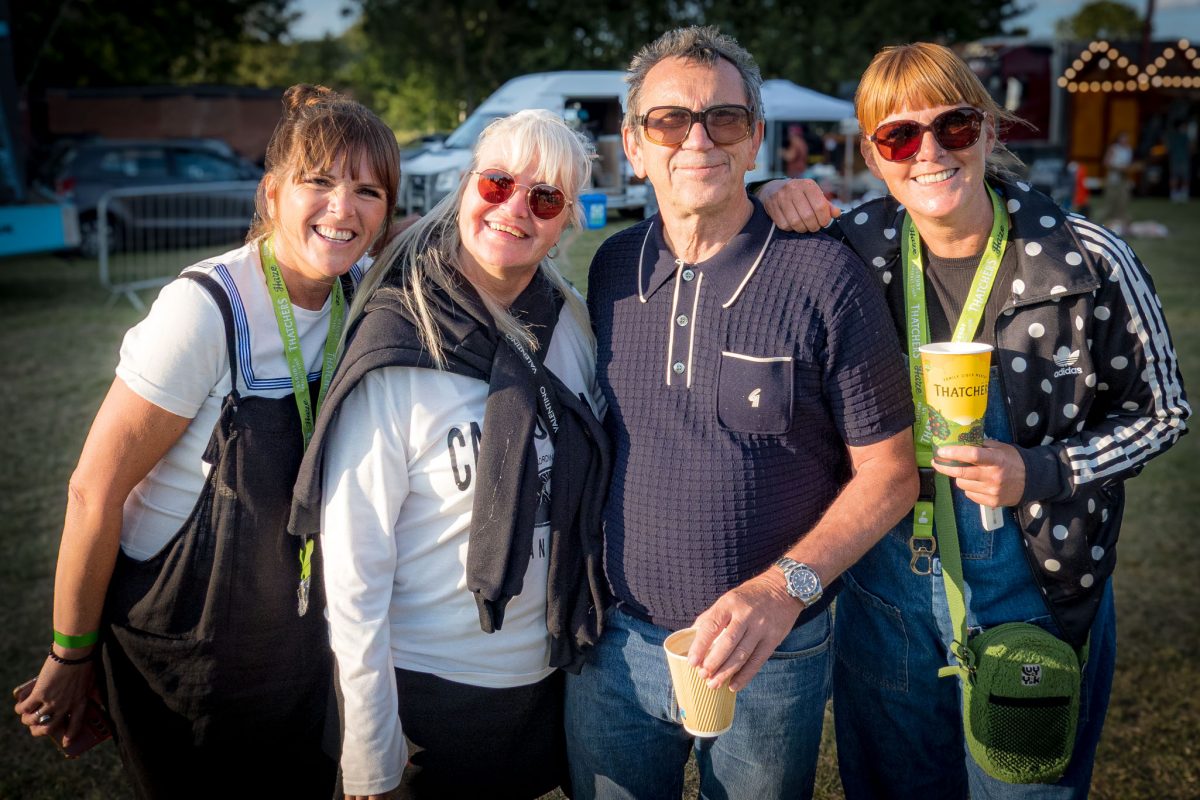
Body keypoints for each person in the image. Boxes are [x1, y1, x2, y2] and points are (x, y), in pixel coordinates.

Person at [757, 42, 1190, 799]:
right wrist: (765, 190)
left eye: (952, 126)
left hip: (1038, 582)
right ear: (873, 154)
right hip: (884, 587)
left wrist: (1040, 471)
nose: (928, 152)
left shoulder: (1087, 258)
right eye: (898, 136)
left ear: (989, 131)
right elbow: (725, 242)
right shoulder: (845, 254)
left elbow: (1163, 413)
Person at [14, 84, 400, 799]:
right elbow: (92, 489)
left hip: (295, 634)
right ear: (273, 192)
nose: (343, 209)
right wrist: (71, 654)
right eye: (318, 182)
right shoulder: (206, 308)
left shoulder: (360, 302)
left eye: (368, 190)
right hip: (183, 641)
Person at [565, 26, 919, 800]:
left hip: (773, 651)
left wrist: (783, 588)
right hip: (616, 644)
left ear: (755, 140)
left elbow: (891, 475)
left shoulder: (826, 274)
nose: (698, 139)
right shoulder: (611, 269)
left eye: (724, 120)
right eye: (669, 121)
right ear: (633, 144)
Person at [288, 109, 609, 800]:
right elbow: (354, 572)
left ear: (565, 221)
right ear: (465, 187)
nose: (516, 209)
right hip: (429, 700)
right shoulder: (401, 342)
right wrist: (370, 756)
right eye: (497, 184)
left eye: (545, 197)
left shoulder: (570, 326)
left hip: (550, 682)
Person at [1103, 131, 1134, 233]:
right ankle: (1108, 221)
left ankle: (1121, 222)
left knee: (1123, 200)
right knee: (1112, 200)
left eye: (1126, 138)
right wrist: (1118, 168)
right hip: (1113, 178)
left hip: (1124, 179)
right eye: (1123, 138)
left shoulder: (1129, 150)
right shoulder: (1114, 148)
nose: (1125, 140)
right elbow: (1106, 162)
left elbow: (1128, 164)